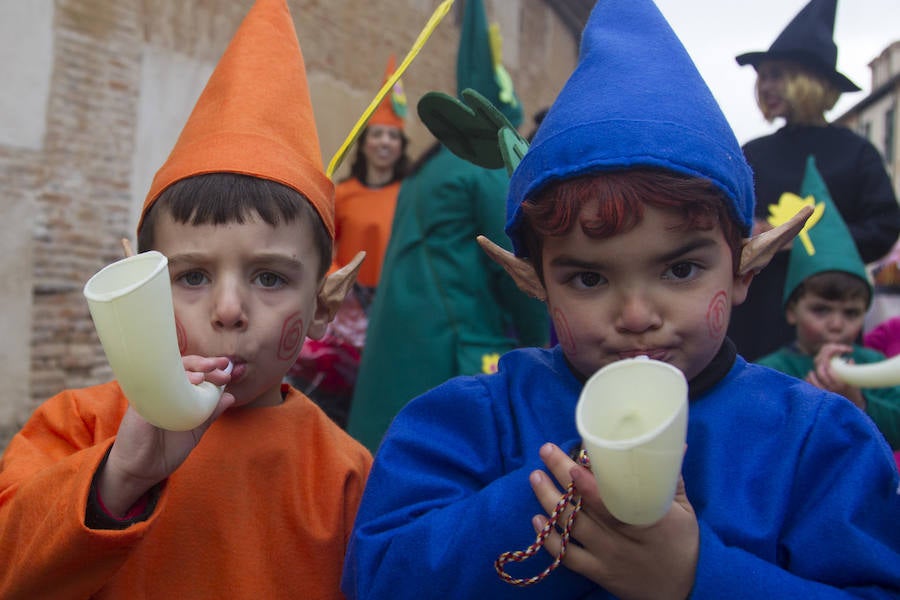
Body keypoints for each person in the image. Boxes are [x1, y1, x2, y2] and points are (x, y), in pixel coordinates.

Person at [341, 0, 900, 597]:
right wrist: (555, 485)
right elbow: (379, 576)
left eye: (681, 269)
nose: (636, 316)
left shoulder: (817, 443)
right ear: (535, 282)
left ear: (743, 269)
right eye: (588, 279)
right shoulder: (470, 422)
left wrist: (695, 577)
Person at [0, 0, 372, 596]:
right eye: (191, 277)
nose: (228, 310)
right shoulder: (76, 428)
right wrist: (118, 477)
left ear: (324, 304)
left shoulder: (348, 476)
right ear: (138, 287)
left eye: (270, 277)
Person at [346, 0, 548, 453]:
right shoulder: (485, 169)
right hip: (448, 359)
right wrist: (544, 341)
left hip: (395, 363)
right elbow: (519, 268)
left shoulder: (427, 168)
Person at [728, 0, 900, 361]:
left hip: (830, 315)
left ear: (809, 81)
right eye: (765, 76)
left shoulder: (856, 152)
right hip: (757, 316)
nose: (766, 85)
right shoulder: (754, 152)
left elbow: (885, 225)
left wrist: (806, 240)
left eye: (777, 74)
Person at [288, 55, 411, 429]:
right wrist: (337, 282)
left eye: (392, 136)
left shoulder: (410, 194)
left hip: (393, 300)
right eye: (378, 134)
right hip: (347, 303)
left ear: (401, 145)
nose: (384, 142)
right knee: (339, 387)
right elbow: (322, 245)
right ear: (365, 142)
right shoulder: (343, 193)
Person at [757, 156, 900, 450]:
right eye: (821, 309)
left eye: (851, 313)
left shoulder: (874, 365)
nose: (836, 324)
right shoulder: (769, 372)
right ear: (792, 309)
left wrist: (857, 399)